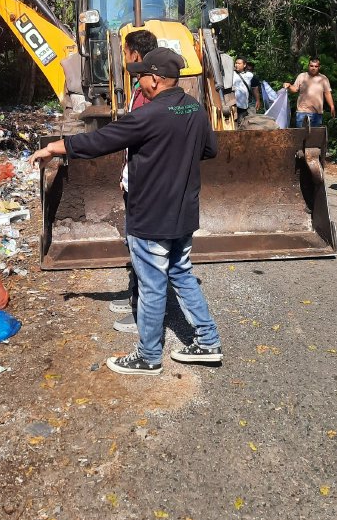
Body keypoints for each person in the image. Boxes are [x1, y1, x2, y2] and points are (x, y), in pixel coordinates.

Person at [30, 47, 222, 376]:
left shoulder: (148, 115)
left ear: (157, 79)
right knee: (181, 273)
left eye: (142, 75)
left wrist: (53, 147)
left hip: (151, 215)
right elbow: (209, 149)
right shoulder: (195, 109)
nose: (138, 80)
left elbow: (98, 141)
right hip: (184, 212)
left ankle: (148, 357)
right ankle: (208, 342)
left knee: (151, 284)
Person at [111, 28, 158, 334]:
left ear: (135, 55)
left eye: (125, 52)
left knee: (143, 248)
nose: (124, 58)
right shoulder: (138, 91)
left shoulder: (147, 96)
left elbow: (140, 141)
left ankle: (143, 313)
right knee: (134, 242)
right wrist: (124, 173)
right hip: (135, 179)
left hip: (144, 184)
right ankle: (133, 294)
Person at [283, 58, 336, 127]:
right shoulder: (302, 76)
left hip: (317, 113)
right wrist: (289, 85)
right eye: (311, 66)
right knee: (301, 135)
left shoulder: (323, 79)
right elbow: (295, 89)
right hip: (302, 112)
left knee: (315, 136)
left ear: (319, 67)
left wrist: (332, 106)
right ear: (308, 66)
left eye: (316, 66)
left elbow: (327, 93)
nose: (313, 68)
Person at [233, 57, 261, 125]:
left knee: (244, 124)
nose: (237, 65)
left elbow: (255, 88)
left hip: (244, 105)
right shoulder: (231, 74)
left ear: (244, 65)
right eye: (236, 63)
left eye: (239, 63)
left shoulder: (250, 75)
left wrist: (258, 100)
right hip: (233, 105)